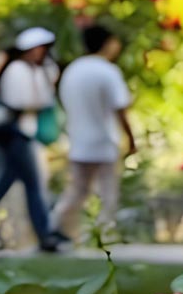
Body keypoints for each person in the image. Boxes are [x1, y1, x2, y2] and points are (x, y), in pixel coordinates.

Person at [49, 24, 136, 244]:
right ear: (107, 43)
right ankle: (104, 235)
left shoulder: (73, 70)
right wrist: (131, 139)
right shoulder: (107, 71)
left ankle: (56, 228)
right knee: (107, 192)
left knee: (77, 190)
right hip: (105, 141)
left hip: (78, 141)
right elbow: (120, 109)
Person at [0, 28, 67, 251]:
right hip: (14, 133)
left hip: (25, 132)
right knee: (33, 184)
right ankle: (45, 234)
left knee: (5, 182)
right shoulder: (17, 70)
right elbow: (24, 101)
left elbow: (45, 95)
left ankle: (46, 234)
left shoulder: (39, 70)